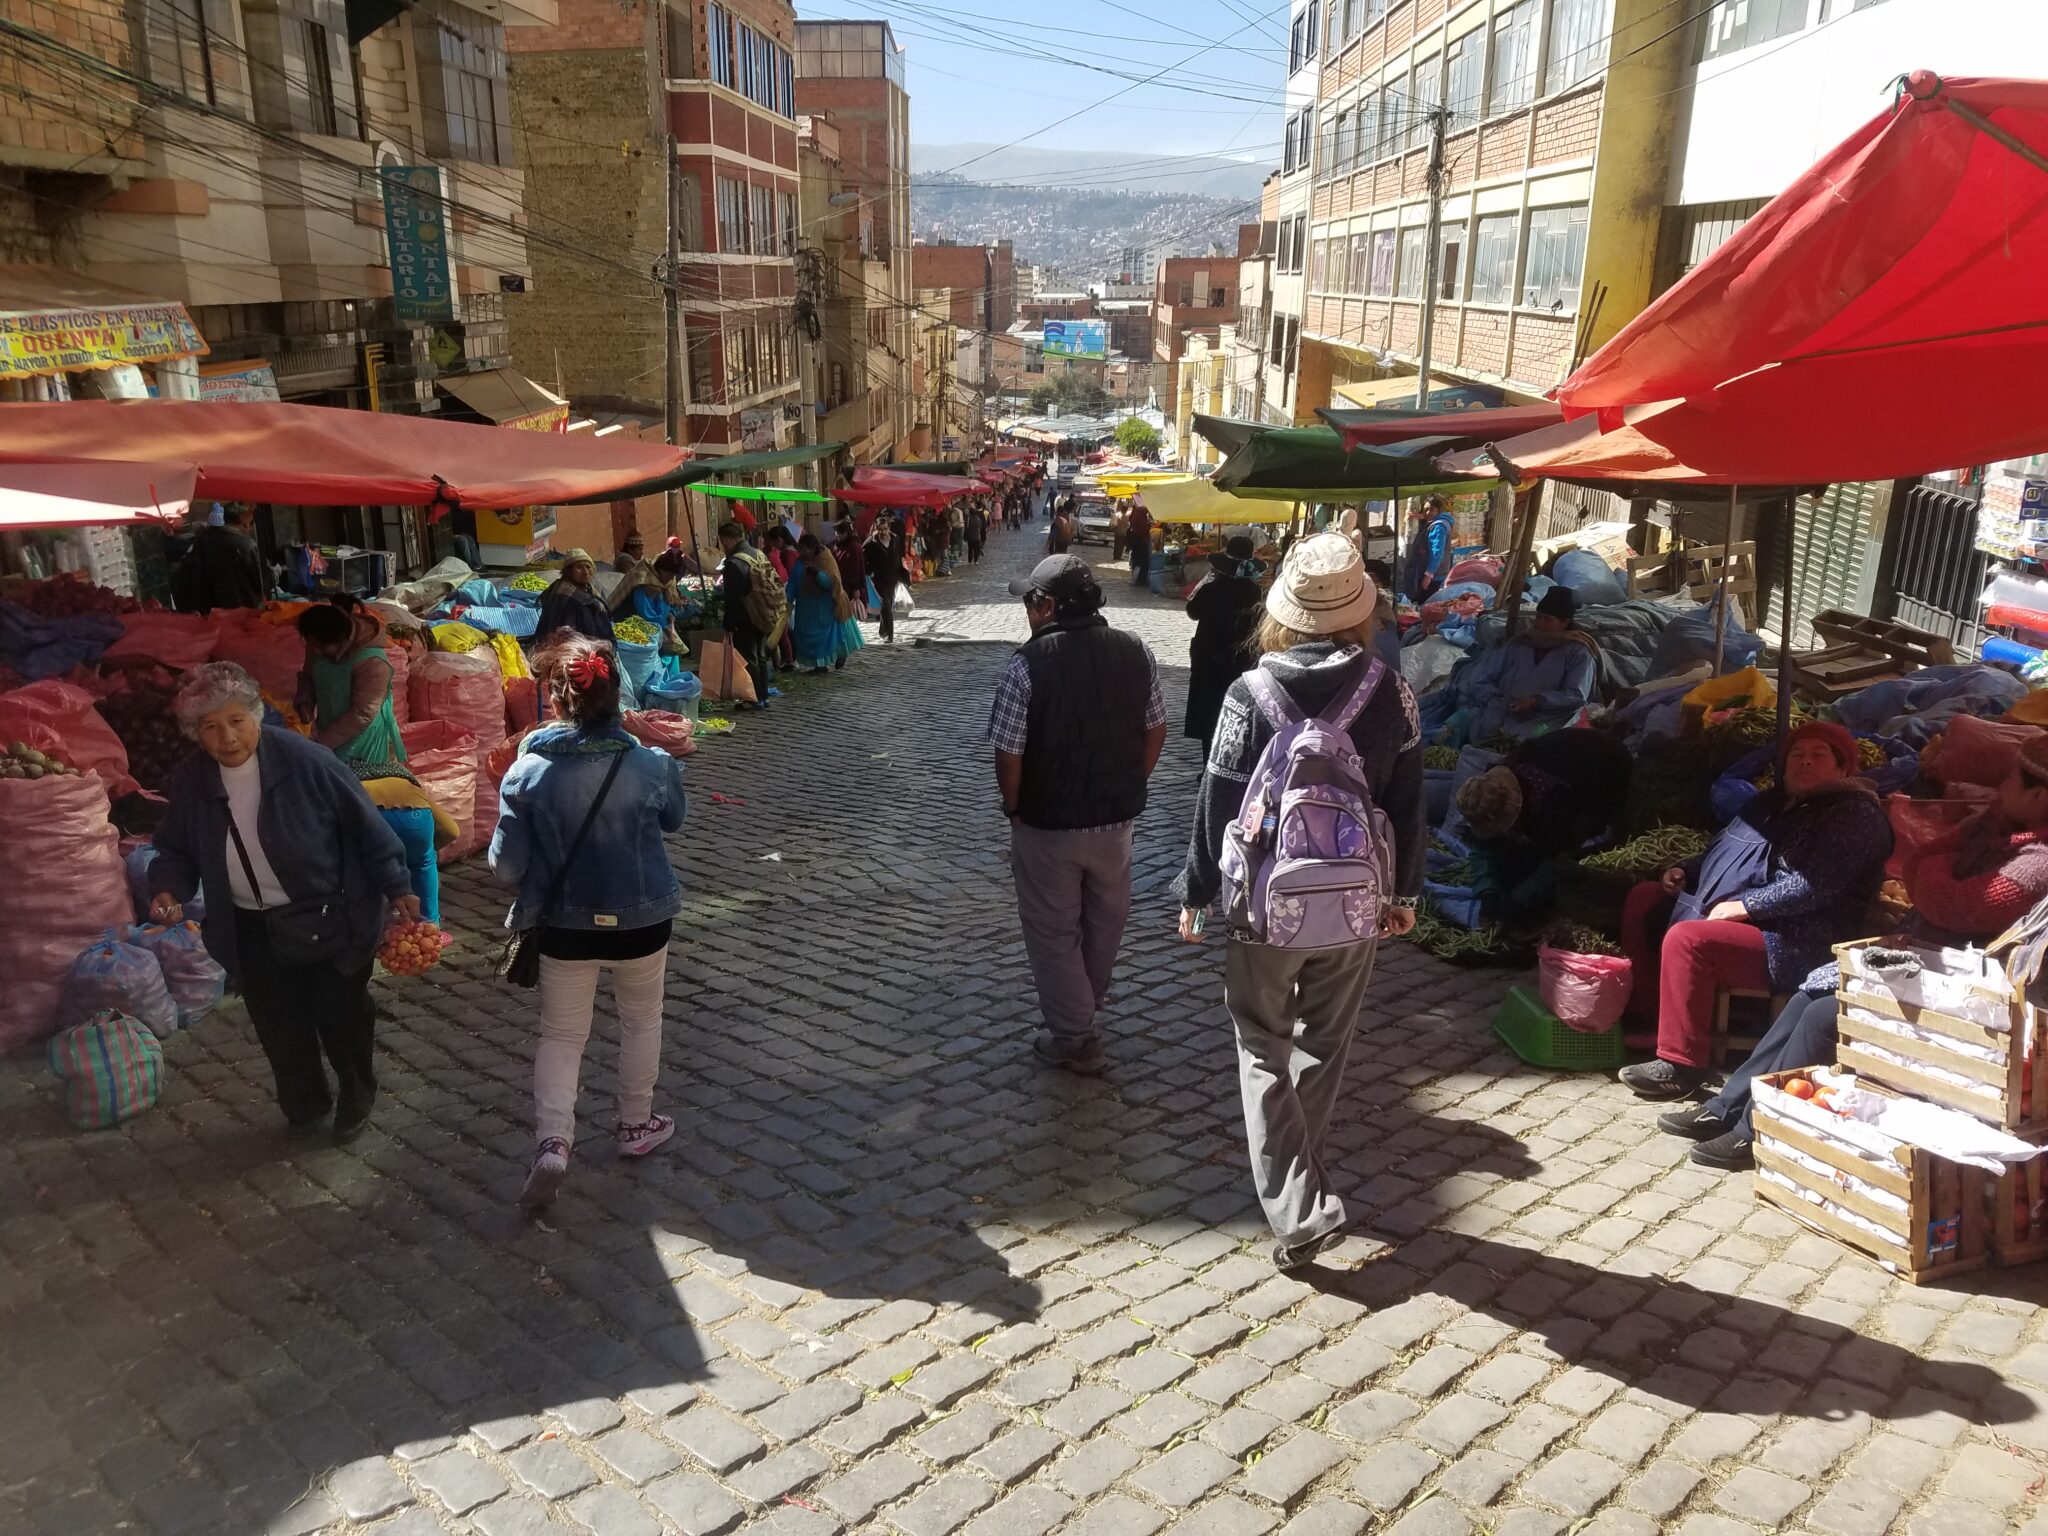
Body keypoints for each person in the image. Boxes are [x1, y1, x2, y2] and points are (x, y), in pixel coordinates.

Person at [1177, 533, 1426, 1271]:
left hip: (1262, 906)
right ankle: (1303, 1187)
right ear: (1360, 612)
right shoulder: (1391, 691)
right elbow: (1407, 803)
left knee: (1261, 1043)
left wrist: (1195, 891)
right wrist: (1403, 892)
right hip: (1355, 902)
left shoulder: (1248, 691)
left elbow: (1218, 800)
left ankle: (1296, 1207)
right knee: (1325, 1044)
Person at [1663, 739, 2048, 1170]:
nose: (2000, 787)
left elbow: (1949, 901)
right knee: (1807, 998)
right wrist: (1935, 864)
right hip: (1917, 960)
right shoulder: (1994, 827)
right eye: (1796, 755)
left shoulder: (2036, 861)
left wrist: (1932, 869)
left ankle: (1756, 1128)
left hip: (1964, 989)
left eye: (2012, 780)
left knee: (1824, 1012)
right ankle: (1728, 1105)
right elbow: (1924, 860)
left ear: (2038, 796)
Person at [148, 662, 418, 1143]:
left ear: (256, 715)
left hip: (329, 913)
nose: (227, 737)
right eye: (210, 727)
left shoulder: (306, 760)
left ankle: (357, 1093)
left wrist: (398, 887)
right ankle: (306, 1101)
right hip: (250, 925)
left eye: (236, 721)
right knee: (278, 1024)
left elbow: (366, 828)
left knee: (341, 1015)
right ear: (195, 734)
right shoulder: (191, 780)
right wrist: (168, 888)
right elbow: (175, 848)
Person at [490, 632, 689, 1209]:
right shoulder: (652, 764)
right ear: (616, 696)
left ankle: (553, 1143)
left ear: (555, 700)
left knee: (561, 1034)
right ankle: (635, 1124)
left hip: (564, 924)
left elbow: (507, 868)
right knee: (641, 1021)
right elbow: (674, 820)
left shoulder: (527, 773)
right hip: (643, 917)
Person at [1617, 720, 1894, 1103]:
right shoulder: (1769, 803)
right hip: (1747, 916)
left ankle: (1680, 1067)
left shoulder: (1856, 816)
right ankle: (1650, 1020)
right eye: (1796, 755)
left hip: (1794, 938)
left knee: (1689, 939)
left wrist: (1746, 905)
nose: (1805, 762)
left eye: (1819, 756)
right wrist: (1689, 869)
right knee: (1644, 898)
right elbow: (1727, 850)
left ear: (1844, 768)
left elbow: (1816, 886)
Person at [991, 553, 1166, 1074]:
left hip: (1049, 824)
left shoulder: (1027, 666)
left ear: (1046, 606)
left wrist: (1015, 808)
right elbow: (1155, 727)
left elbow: (1008, 752)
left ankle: (1074, 1035)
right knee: (1105, 920)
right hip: (1115, 825)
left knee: (1052, 928)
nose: (1027, 610)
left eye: (1030, 600)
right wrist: (1132, 781)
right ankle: (1084, 1008)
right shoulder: (1136, 651)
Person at [1454, 727, 1634, 926]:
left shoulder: (1553, 803)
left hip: (1609, 773)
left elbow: (1560, 858)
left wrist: (1518, 901)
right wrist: (1487, 893)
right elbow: (1483, 849)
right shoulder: (1495, 781)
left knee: (1555, 877)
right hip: (1566, 756)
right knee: (1509, 863)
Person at [295, 598, 404, 768]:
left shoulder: (372, 662)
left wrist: (322, 744)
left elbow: (362, 714)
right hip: (329, 728)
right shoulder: (317, 645)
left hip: (362, 739)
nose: (315, 652)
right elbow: (308, 676)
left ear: (341, 641)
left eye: (321, 648)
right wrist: (304, 702)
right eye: (311, 645)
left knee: (360, 786)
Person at [353, 759, 460, 923]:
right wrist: (420, 852)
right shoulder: (402, 774)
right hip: (415, 819)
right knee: (423, 863)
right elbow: (451, 830)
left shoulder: (338, 771)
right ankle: (430, 929)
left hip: (368, 819)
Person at [1183, 535, 1263, 754]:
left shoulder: (1212, 589)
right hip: (1242, 661)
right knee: (1238, 710)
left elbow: (1192, 611)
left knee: (1209, 713)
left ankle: (1208, 762)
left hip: (1209, 660)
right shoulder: (1256, 593)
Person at [715, 520, 777, 707]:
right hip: (764, 612)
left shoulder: (734, 563)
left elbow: (732, 597)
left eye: (723, 542)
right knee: (761, 655)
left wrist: (728, 623)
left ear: (728, 539)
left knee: (749, 658)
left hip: (745, 617)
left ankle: (753, 698)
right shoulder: (758, 554)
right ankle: (763, 696)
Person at [786, 532, 864, 674]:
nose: (802, 553)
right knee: (806, 634)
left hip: (824, 605)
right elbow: (793, 582)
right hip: (805, 607)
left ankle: (826, 662)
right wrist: (787, 600)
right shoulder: (799, 562)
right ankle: (818, 665)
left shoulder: (824, 559)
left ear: (812, 548)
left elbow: (833, 583)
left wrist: (817, 575)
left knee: (824, 636)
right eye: (800, 550)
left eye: (804, 550)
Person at [174, 502, 268, 614]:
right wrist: (275, 572)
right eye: (250, 523)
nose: (250, 528)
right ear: (243, 522)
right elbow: (263, 580)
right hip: (242, 614)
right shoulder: (246, 546)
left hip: (209, 615)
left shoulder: (201, 541)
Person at [535, 549, 615, 642]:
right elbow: (565, 632)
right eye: (579, 568)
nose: (585, 572)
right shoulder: (564, 596)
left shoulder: (589, 589)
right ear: (568, 571)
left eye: (588, 567)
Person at [1401, 494, 1456, 604]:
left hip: (1432, 575)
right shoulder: (1436, 523)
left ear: (1439, 511)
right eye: (1425, 510)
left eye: (1431, 510)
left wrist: (1428, 576)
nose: (1427, 513)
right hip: (1429, 572)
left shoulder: (1438, 527)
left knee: (1424, 604)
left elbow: (1437, 553)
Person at [864, 516, 908, 643]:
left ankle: (883, 630)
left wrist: (902, 574)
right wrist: (869, 572)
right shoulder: (871, 542)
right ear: (876, 529)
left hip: (893, 577)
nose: (883, 532)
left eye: (885, 529)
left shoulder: (895, 539)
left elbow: (900, 556)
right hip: (879, 578)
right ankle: (889, 635)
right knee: (885, 604)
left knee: (887, 605)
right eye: (880, 530)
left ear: (888, 528)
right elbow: (863, 557)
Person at [833, 519, 868, 620]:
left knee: (848, 616)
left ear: (845, 533)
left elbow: (856, 569)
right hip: (841, 585)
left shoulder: (853, 547)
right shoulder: (839, 545)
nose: (836, 535)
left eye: (838, 533)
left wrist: (856, 588)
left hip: (850, 588)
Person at [1127, 497, 1154, 588]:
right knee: (1143, 562)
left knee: (1138, 561)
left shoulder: (1136, 513)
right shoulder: (1140, 514)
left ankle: (1137, 579)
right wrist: (1149, 526)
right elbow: (1142, 529)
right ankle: (1140, 580)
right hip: (1141, 541)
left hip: (1137, 541)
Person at [965, 500, 988, 566]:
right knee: (976, 549)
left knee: (970, 549)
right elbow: (981, 527)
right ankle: (976, 560)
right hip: (977, 536)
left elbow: (967, 527)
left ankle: (970, 561)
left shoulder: (968, 518)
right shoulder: (978, 518)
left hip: (970, 536)